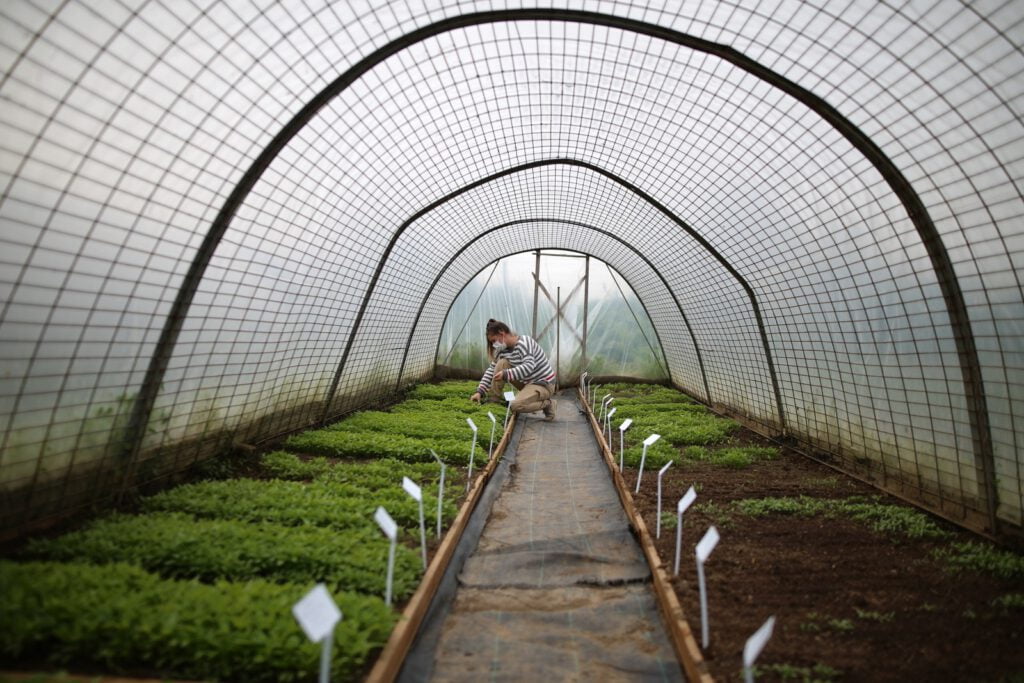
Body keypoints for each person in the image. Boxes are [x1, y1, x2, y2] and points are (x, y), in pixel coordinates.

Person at [470, 319, 557, 420]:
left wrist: (506, 374)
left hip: (544, 384)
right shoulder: (502, 351)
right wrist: (479, 392)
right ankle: (493, 400)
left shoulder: (524, 342)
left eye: (494, 340)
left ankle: (548, 404)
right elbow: (491, 370)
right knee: (501, 363)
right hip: (526, 382)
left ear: (502, 333)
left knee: (515, 405)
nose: (494, 344)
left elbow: (529, 366)